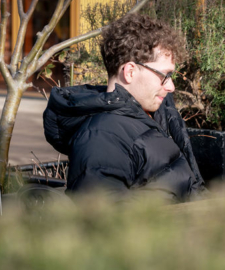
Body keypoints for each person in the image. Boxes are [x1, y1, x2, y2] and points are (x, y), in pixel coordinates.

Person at [43, 13, 206, 203]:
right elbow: (106, 221)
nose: (171, 87)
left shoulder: (158, 113)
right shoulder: (101, 137)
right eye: (164, 75)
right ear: (129, 72)